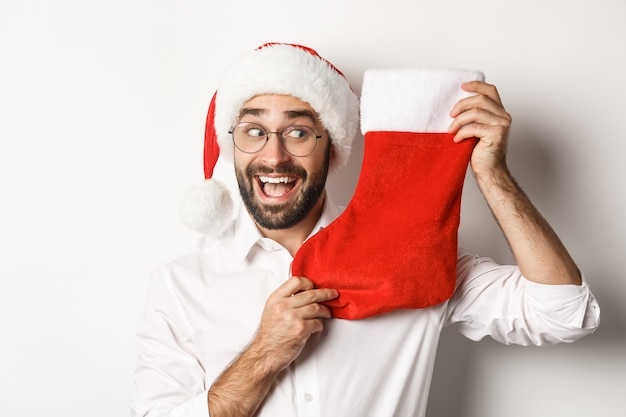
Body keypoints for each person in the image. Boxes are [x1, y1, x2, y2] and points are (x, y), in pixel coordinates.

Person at [131, 43, 600, 417]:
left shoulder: (415, 254)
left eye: (298, 132)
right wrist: (264, 353)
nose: (273, 157)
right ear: (231, 145)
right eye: (254, 131)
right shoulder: (180, 284)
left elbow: (564, 313)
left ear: (331, 148)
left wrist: (492, 175)